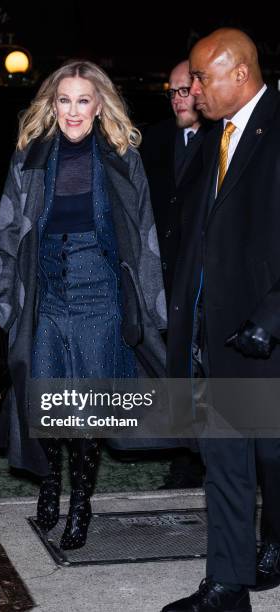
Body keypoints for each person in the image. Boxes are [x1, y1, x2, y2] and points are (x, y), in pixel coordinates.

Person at [0, 60, 167, 550]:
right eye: (64, 100)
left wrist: (155, 308)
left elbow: (145, 235)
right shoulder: (31, 155)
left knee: (87, 412)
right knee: (45, 402)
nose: (72, 111)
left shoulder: (122, 157)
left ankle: (81, 503)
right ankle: (49, 484)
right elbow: (5, 232)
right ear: (52, 103)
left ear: (99, 104)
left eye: (83, 100)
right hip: (46, 295)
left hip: (100, 297)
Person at [163, 28, 280, 612]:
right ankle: (229, 586)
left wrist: (271, 315)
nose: (195, 89)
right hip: (216, 333)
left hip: (266, 336)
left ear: (240, 73)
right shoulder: (213, 138)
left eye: (204, 78)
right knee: (226, 463)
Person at [142, 60, 205, 305]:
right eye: (172, 92)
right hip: (156, 281)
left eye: (184, 91)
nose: (176, 99)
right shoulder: (154, 137)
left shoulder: (222, 140)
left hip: (198, 283)